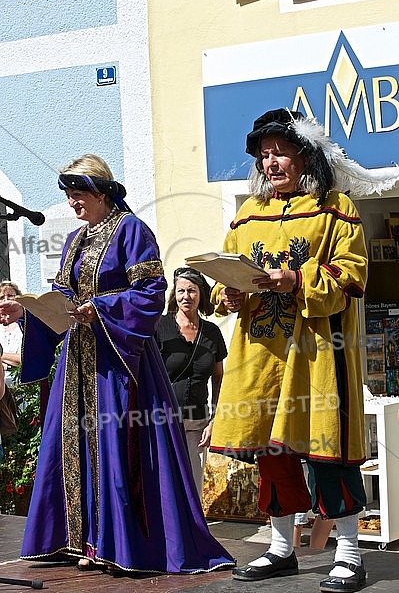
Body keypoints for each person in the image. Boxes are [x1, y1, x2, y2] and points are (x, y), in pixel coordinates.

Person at [0, 154, 235, 575]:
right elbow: (62, 295)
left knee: (114, 447)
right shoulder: (74, 241)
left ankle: (119, 544)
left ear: (103, 191)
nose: (74, 203)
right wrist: (34, 310)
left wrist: (102, 308)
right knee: (69, 444)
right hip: (77, 363)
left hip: (120, 363)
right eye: (70, 197)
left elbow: (151, 291)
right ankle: (76, 539)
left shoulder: (131, 230)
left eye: (80, 195)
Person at [208, 108, 399, 592]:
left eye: (280, 153)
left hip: (316, 352)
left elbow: (351, 276)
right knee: (273, 452)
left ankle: (349, 553)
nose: (271, 163)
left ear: (304, 156)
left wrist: (293, 279)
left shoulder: (337, 207)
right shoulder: (249, 214)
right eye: (264, 155)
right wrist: (226, 294)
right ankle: (281, 549)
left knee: (327, 450)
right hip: (259, 354)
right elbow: (226, 275)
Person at [155, 267, 227, 497]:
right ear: (174, 295)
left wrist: (215, 418)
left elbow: (218, 378)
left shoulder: (212, 333)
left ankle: (194, 531)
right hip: (163, 420)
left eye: (192, 291)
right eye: (181, 291)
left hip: (197, 421)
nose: (186, 296)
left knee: (194, 487)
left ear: (201, 294)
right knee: (166, 484)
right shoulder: (159, 327)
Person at [0, 281, 23, 385]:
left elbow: (23, 358)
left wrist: (1, 356)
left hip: (21, 385)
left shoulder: (24, 325)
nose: (5, 300)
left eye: (10, 296)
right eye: (1, 297)